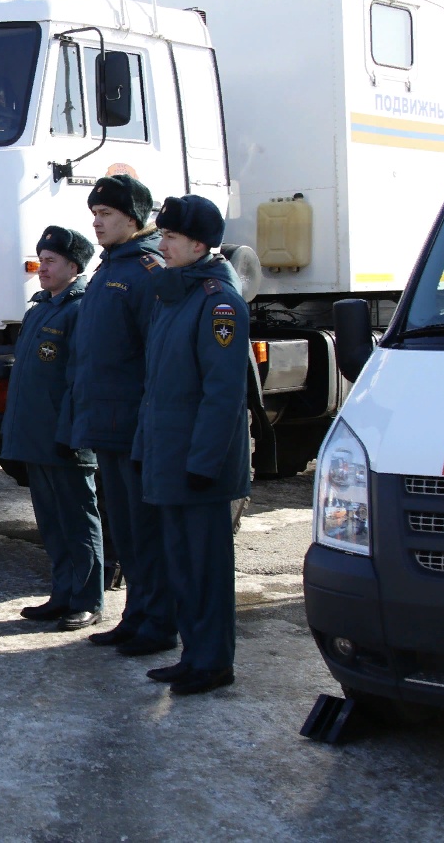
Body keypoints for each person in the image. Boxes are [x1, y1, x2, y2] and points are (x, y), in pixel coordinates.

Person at [135, 194, 250, 696]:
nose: (163, 244)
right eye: (162, 235)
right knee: (181, 564)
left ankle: (213, 661)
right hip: (171, 457)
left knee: (205, 568)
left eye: (172, 237)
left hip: (198, 466)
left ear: (199, 245)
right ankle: (194, 654)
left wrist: (203, 462)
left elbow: (222, 393)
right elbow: (159, 387)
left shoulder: (217, 302)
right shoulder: (174, 296)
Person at [64, 174, 181, 659]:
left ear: (132, 218)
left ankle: (159, 623)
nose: (96, 223)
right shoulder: (111, 267)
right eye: (94, 214)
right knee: (127, 530)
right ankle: (135, 616)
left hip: (133, 424)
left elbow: (158, 354)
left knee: (146, 529)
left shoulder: (146, 271)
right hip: (106, 424)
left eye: (106, 214)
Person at [4, 226, 104, 631]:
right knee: (51, 522)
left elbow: (81, 381)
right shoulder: (40, 308)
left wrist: (71, 435)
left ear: (74, 267)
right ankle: (62, 594)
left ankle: (88, 600)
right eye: (41, 259)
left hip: (65, 439)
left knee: (79, 520)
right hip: (37, 437)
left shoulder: (81, 311)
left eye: (50, 261)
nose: (41, 268)